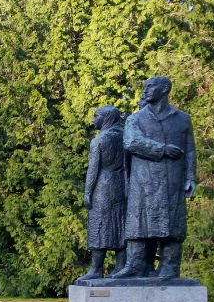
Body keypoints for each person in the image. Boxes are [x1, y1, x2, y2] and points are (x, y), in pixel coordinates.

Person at [110, 76, 195, 279]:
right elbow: (131, 142)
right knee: (138, 222)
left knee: (172, 223)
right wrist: (162, 149)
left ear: (164, 89)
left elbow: (190, 150)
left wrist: (190, 177)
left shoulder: (182, 119)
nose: (146, 90)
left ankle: (169, 266)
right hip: (143, 181)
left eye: (151, 86)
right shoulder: (135, 119)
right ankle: (135, 264)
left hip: (172, 180)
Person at [77, 106, 127, 281]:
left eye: (96, 116)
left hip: (102, 187)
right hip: (122, 185)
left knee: (99, 225)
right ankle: (120, 267)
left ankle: (96, 269)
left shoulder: (98, 141)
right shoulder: (125, 137)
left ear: (105, 118)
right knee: (120, 225)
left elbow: (93, 169)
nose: (93, 120)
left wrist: (88, 192)